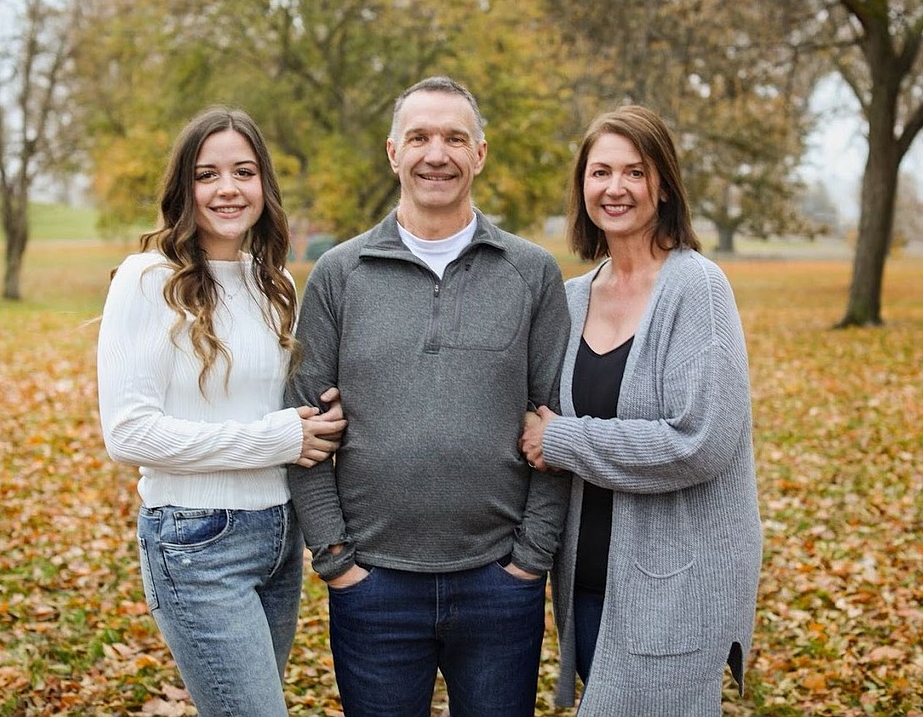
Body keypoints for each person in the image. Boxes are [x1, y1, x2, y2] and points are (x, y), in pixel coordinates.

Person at [286, 76, 572, 717]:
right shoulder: (339, 274)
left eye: (453, 138)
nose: (435, 154)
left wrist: (531, 560)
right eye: (419, 137)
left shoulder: (530, 272)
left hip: (499, 583)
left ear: (480, 153)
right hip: (374, 587)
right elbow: (300, 426)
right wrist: (335, 559)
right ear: (393, 152)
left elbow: (558, 423)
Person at [96, 106, 346, 717]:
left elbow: (272, 406)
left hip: (279, 537)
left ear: (265, 185)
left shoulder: (274, 282)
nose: (228, 189)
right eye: (208, 175)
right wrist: (278, 438)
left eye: (244, 171)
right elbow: (128, 434)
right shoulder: (148, 279)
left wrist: (322, 412)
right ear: (185, 188)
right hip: (196, 539)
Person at [521, 105, 763, 715]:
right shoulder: (571, 298)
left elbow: (700, 441)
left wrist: (565, 443)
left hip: (675, 588)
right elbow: (530, 417)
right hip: (586, 582)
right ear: (582, 186)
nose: (616, 188)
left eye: (635, 172)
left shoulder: (697, 288)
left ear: (663, 185)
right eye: (600, 172)